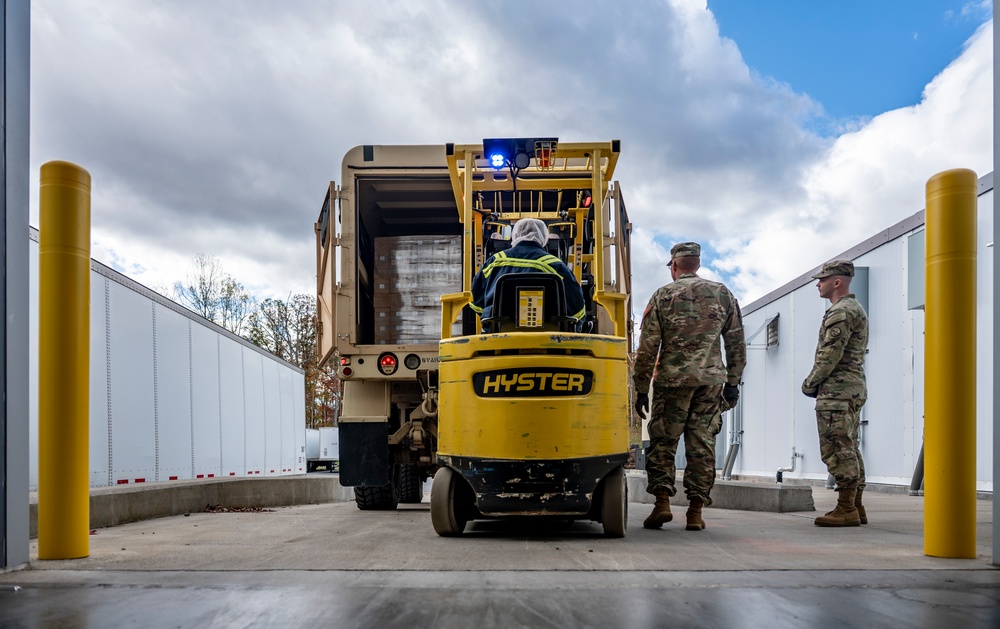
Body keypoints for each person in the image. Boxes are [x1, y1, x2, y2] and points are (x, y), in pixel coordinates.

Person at [633, 242, 746, 531]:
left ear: (674, 266)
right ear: (697, 264)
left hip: (672, 382)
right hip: (710, 383)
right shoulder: (722, 294)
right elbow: (736, 342)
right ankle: (695, 512)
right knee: (702, 445)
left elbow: (647, 347)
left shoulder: (663, 295)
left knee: (663, 443)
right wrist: (733, 383)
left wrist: (641, 388)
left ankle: (662, 504)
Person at [801, 259, 869, 527]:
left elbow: (830, 354)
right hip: (851, 387)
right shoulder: (854, 308)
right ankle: (856, 506)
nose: (818, 284)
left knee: (837, 447)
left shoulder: (841, 311)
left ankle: (846, 508)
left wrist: (810, 383)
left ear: (837, 282)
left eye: (822, 279)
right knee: (849, 446)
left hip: (837, 390)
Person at [470, 218, 586, 331]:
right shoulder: (556, 265)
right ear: (543, 237)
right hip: (550, 336)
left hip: (499, 333)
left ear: (515, 234)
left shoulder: (494, 261)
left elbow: (475, 300)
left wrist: (491, 319)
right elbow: (578, 310)